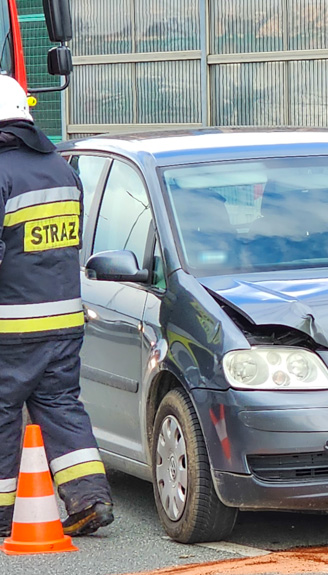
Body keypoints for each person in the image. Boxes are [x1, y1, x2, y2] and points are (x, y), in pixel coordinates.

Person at [0, 75, 114, 537]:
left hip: (10, 325)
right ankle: (90, 498)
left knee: (3, 410)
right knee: (61, 406)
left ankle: (4, 512)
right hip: (65, 319)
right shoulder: (62, 169)